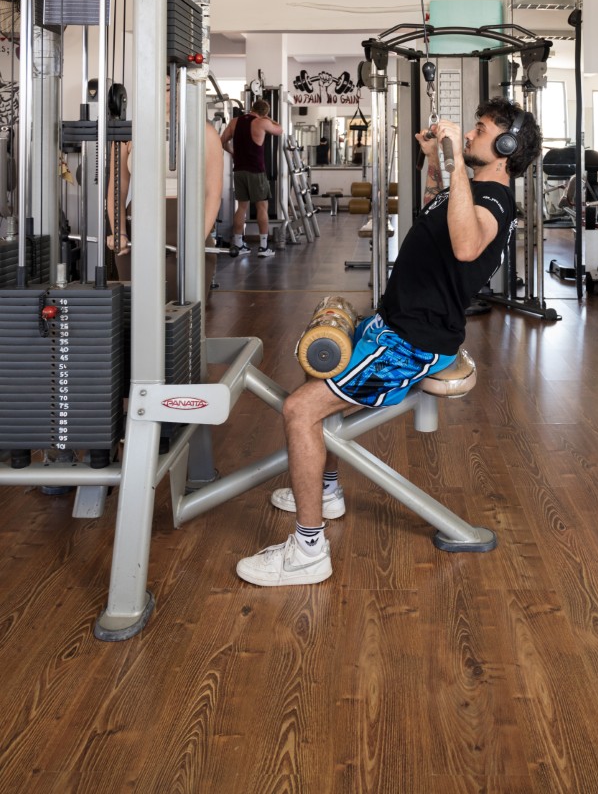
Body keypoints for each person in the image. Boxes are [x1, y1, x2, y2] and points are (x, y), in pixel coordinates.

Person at [235, 97, 543, 587]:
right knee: (318, 367)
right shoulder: (474, 191)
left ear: (505, 147)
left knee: (299, 410)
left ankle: (308, 551)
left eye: (480, 130)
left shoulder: (495, 201)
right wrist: (433, 159)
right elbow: (436, 207)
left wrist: (455, 163)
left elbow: (466, 246)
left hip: (410, 341)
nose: (469, 134)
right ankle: (326, 490)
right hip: (393, 323)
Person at [107, 89, 224, 302]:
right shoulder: (128, 133)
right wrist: (119, 232)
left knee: (184, 313)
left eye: (173, 87)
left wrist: (196, 239)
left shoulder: (205, 133)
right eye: (165, 87)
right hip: (138, 230)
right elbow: (117, 191)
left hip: (187, 227)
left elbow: (213, 194)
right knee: (135, 309)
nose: (170, 94)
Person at [221, 99, 282, 258]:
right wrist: (269, 118)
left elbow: (222, 141)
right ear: (265, 113)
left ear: (252, 108)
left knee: (241, 207)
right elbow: (280, 130)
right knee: (262, 207)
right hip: (256, 171)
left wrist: (233, 152)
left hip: (239, 170)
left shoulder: (235, 122)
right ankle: (263, 247)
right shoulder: (262, 122)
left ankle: (238, 244)